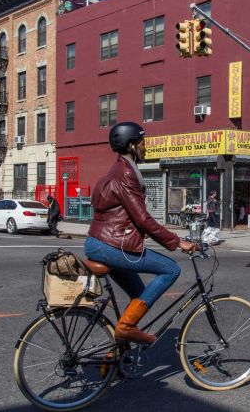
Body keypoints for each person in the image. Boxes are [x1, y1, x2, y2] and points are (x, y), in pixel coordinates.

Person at [85, 122, 196, 344]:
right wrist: (177, 242)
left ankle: (117, 354)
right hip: (112, 246)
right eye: (143, 142)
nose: (146, 147)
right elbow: (142, 219)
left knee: (138, 294)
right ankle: (125, 328)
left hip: (101, 242)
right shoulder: (126, 173)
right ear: (132, 145)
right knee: (170, 269)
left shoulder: (118, 169)